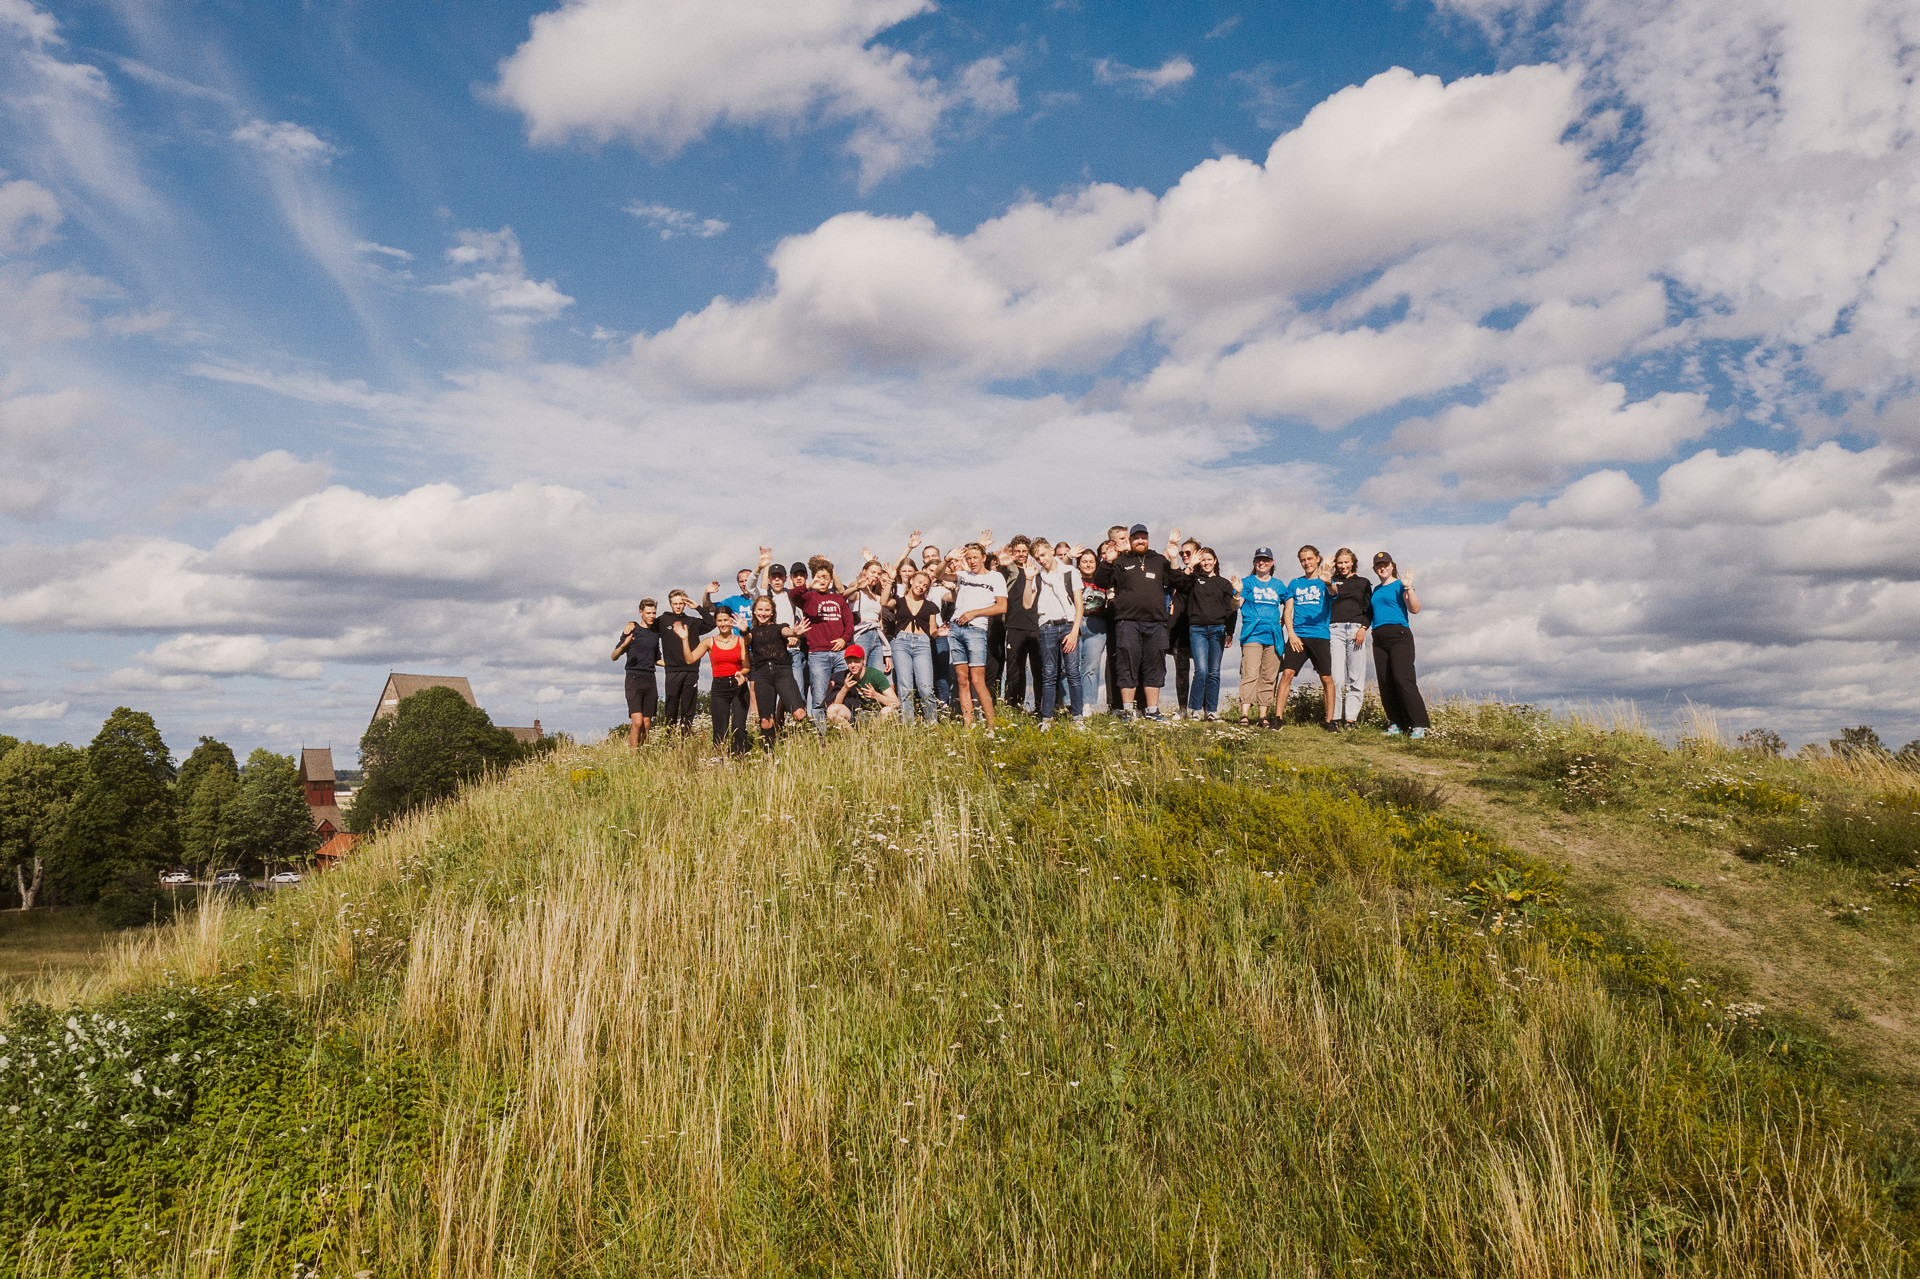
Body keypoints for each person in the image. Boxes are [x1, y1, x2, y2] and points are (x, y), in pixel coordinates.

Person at [1092, 523, 1175, 721]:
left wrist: (1174, 557)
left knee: (1155, 666)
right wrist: (1108, 561)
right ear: (1131, 540)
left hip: (1156, 623)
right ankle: (1128, 711)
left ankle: (1152, 711)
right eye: (1136, 538)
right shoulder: (1120, 561)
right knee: (1127, 665)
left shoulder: (1158, 560)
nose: (1140, 541)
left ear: (1147, 539)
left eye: (1143, 537)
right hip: (1127, 622)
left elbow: (1176, 581)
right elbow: (1101, 581)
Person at [1274, 545, 1337, 731]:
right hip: (1298, 637)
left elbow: (1334, 592)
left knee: (1326, 678)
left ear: (1317, 558)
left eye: (1309, 558)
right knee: (1287, 674)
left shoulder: (1325, 581)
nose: (1306, 562)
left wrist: (1328, 582)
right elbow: (1288, 611)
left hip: (1320, 636)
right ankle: (1278, 718)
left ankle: (1330, 721)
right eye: (1303, 560)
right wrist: (1292, 634)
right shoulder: (1295, 583)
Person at [1369, 552, 1429, 738]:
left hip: (1399, 635)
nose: (1382, 568)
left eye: (1385, 564)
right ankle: (1397, 723)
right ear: (1374, 569)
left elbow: (1415, 609)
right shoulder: (1376, 590)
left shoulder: (1400, 585)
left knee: (1403, 679)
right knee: (1385, 682)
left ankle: (1419, 724)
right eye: (1379, 565)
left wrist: (1409, 587)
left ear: (1392, 565)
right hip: (1379, 637)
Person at [1172, 545, 1235, 720]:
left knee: (1214, 672)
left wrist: (1229, 632)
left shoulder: (1223, 583)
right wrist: (1190, 566)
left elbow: (1231, 609)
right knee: (1201, 670)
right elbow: (1179, 584)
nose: (1206, 563)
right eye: (1203, 560)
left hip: (1218, 630)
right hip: (1197, 629)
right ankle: (1195, 710)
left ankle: (1211, 711)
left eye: (1209, 559)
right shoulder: (1193, 579)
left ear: (1215, 561)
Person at [676, 606, 750, 755]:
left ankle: (741, 760)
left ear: (731, 621)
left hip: (739, 686)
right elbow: (690, 659)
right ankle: (719, 762)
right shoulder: (709, 642)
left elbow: (747, 666)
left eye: (726, 620)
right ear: (716, 622)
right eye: (719, 621)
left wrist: (740, 673)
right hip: (719, 688)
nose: (723, 624)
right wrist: (684, 639)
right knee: (720, 731)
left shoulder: (740, 641)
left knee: (738, 727)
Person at [790, 560, 855, 726]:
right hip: (818, 653)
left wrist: (844, 639)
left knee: (845, 691)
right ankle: (821, 734)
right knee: (819, 697)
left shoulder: (838, 599)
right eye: (819, 577)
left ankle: (844, 727)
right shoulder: (808, 598)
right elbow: (793, 595)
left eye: (825, 577)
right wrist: (809, 585)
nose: (822, 580)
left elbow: (849, 623)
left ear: (830, 580)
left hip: (840, 653)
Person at [950, 542, 1008, 727]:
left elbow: (1002, 606)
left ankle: (992, 726)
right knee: (962, 680)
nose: (972, 561)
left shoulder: (995, 577)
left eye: (975, 557)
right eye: (968, 558)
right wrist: (947, 559)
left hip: (976, 629)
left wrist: (975, 613)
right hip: (956, 628)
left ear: (984, 558)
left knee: (977, 680)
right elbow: (939, 574)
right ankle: (968, 726)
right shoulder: (963, 575)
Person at [744, 595, 811, 750]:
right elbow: (747, 639)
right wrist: (744, 630)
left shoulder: (779, 627)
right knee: (765, 721)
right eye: (760, 610)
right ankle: (769, 756)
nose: (763, 613)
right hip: (762, 676)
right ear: (754, 611)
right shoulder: (752, 633)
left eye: (767, 610)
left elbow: (786, 631)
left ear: (772, 612)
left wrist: (795, 632)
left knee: (799, 713)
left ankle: (818, 745)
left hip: (782, 673)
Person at [1030, 539, 1083, 724]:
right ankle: (1047, 718)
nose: (1041, 560)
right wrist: (1028, 579)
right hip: (1047, 626)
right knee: (1049, 674)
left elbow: (1079, 605)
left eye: (1043, 555)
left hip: (1068, 624)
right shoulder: (1038, 577)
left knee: (1073, 673)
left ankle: (1078, 717)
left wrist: (1074, 632)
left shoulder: (1070, 572)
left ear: (1051, 551)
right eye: (1037, 558)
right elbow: (1027, 603)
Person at [1233, 549, 1285, 727]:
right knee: (1250, 673)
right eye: (1258, 560)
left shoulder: (1278, 585)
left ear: (1272, 562)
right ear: (1254, 562)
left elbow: (1290, 602)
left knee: (1269, 676)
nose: (1261, 563)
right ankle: (1244, 714)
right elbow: (1235, 606)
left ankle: (1263, 715)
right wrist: (1237, 593)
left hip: (1273, 635)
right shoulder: (1247, 582)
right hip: (1252, 633)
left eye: (1265, 560)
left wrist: (1284, 618)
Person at [651, 589, 713, 733]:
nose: (678, 606)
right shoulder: (663, 620)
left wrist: (697, 607)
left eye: (681, 603)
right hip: (672, 671)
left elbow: (711, 623)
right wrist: (656, 658)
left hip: (691, 670)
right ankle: (668, 740)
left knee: (688, 709)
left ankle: (685, 739)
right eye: (675, 603)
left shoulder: (692, 622)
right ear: (670, 604)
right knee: (671, 708)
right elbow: (648, 632)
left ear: (685, 604)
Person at [886, 568, 943, 724]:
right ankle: (908, 725)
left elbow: (932, 631)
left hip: (922, 644)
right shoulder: (899, 601)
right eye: (919, 582)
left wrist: (940, 633)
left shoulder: (930, 606)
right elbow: (883, 602)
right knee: (905, 687)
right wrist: (891, 580)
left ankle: (932, 723)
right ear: (911, 581)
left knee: (926, 687)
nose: (921, 586)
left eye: (925, 585)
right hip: (901, 643)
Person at [1326, 548, 1374, 729]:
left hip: (1356, 630)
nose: (1343, 566)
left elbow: (1369, 609)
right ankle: (1334, 717)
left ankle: (1351, 719)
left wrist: (1363, 628)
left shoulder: (1363, 582)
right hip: (1334, 630)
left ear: (1353, 562)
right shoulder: (1330, 581)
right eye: (1340, 562)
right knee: (1336, 677)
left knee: (1355, 677)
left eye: (1346, 562)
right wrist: (1327, 574)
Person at [1000, 535, 1044, 713]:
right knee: (1014, 669)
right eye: (1017, 551)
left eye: (1024, 551)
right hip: (1014, 625)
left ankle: (1041, 708)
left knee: (1039, 669)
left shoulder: (1037, 573)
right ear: (1012, 552)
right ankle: (1013, 709)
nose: (1020, 554)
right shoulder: (1007, 572)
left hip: (1036, 626)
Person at [611, 598, 663, 750]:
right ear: (641, 613)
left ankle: (644, 755)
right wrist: (625, 645)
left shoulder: (655, 633)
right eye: (648, 613)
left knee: (646, 723)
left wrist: (676, 663)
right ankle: (633, 757)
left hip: (650, 679)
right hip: (634, 678)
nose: (651, 616)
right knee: (637, 721)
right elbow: (614, 656)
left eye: (654, 613)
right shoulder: (631, 630)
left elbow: (657, 659)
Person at [823, 644, 900, 729]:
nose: (853, 665)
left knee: (889, 711)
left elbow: (896, 703)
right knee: (832, 710)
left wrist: (876, 695)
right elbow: (835, 705)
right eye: (849, 662)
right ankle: (852, 736)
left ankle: (878, 734)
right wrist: (845, 688)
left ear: (863, 660)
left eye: (856, 661)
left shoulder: (875, 675)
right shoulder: (844, 676)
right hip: (857, 715)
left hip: (877, 714)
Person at [1073, 547, 1110, 723]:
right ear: (1078, 564)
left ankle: (1087, 704)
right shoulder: (1073, 578)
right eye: (1084, 562)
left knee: (1092, 666)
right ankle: (1069, 704)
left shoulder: (1102, 580)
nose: (1088, 565)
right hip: (1075, 623)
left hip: (1097, 624)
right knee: (1071, 666)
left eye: (1091, 561)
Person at [1169, 537, 1201, 717]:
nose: (1184, 556)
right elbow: (1179, 583)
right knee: (1181, 671)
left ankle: (1200, 708)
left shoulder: (1204, 575)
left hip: (1200, 628)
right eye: (1182, 553)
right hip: (1179, 629)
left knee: (1202, 670)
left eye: (1188, 552)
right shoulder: (1179, 574)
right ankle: (1183, 708)